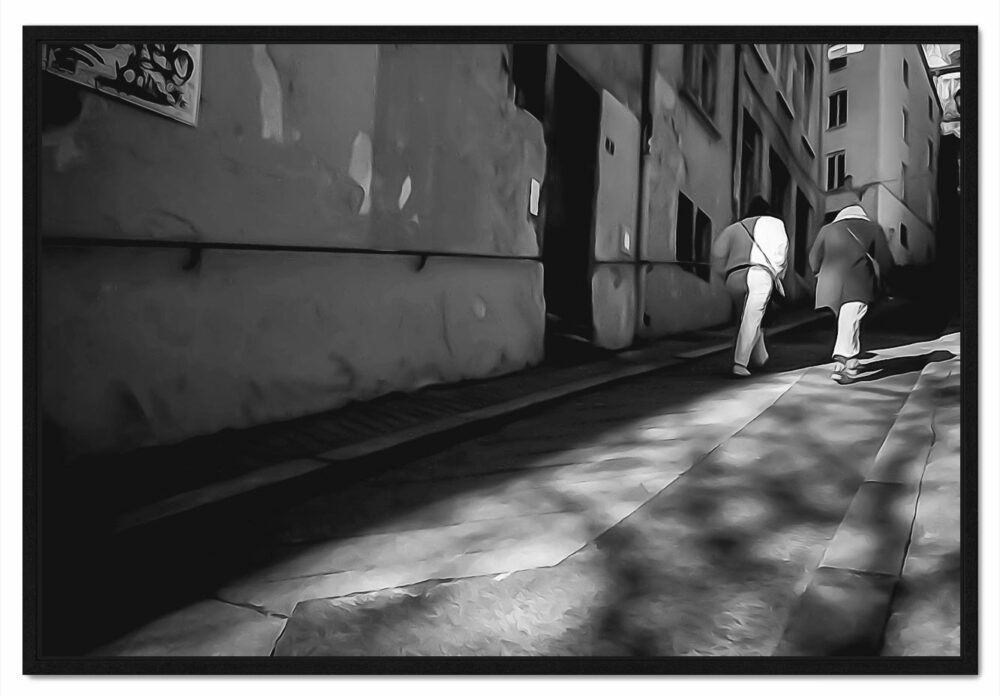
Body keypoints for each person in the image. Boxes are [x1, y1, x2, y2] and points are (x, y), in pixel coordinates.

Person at [808, 204, 894, 382]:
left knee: (847, 319)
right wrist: (886, 280)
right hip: (859, 281)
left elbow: (813, 257)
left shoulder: (827, 229)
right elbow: (885, 260)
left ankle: (850, 359)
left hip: (829, 283)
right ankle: (843, 360)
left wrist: (818, 273)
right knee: (851, 318)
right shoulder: (873, 228)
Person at [711, 196, 788, 377]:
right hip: (761, 273)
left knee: (745, 318)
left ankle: (759, 358)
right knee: (752, 318)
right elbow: (781, 250)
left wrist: (723, 273)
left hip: (733, 275)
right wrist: (777, 272)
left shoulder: (735, 228)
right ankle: (740, 363)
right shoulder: (776, 224)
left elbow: (717, 252)